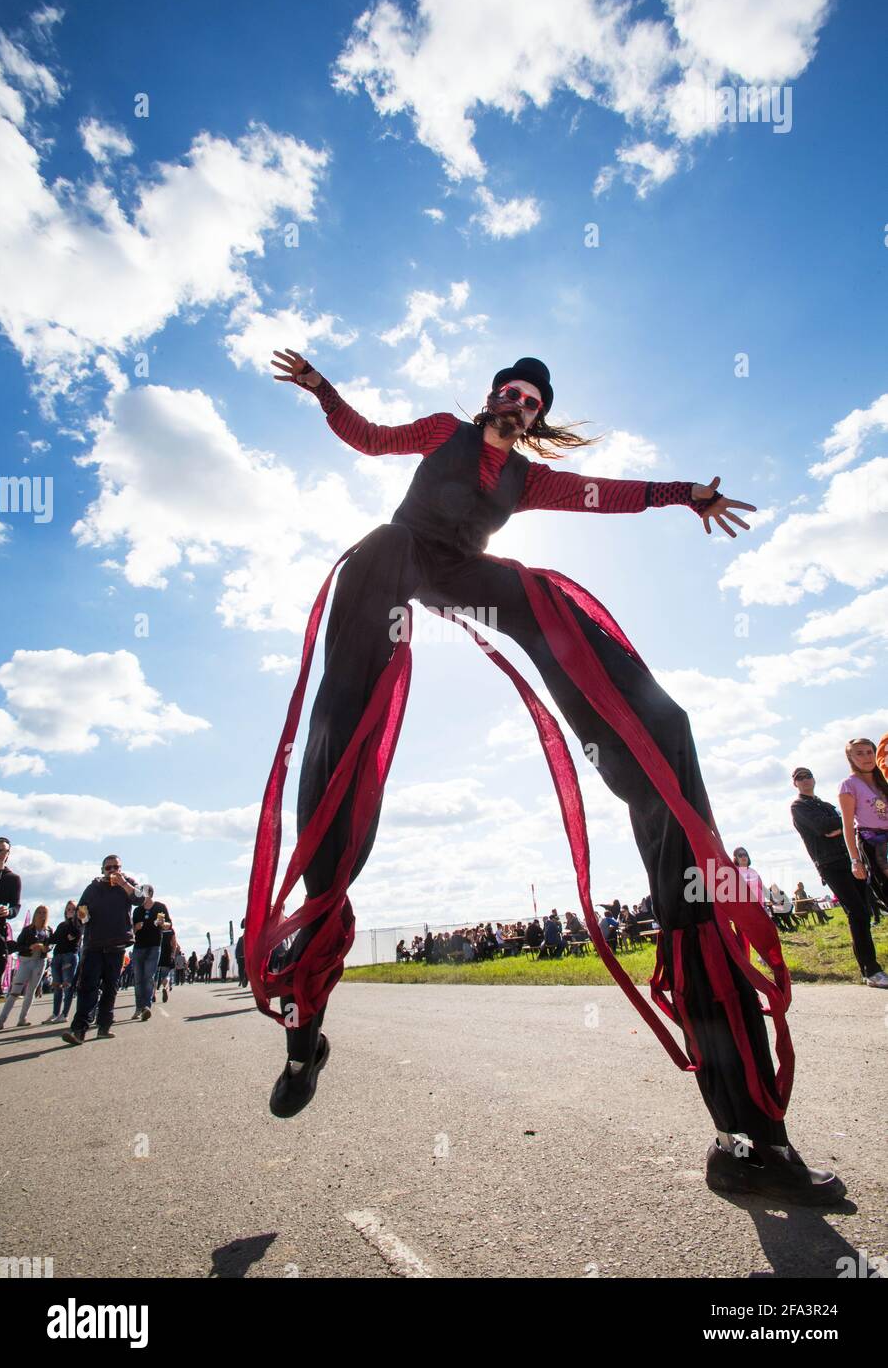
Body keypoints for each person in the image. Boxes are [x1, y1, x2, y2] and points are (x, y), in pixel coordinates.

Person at [248, 348, 842, 1207]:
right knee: (347, 707)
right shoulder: (441, 434)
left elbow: (605, 494)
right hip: (396, 566)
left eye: (532, 400)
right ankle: (307, 1018)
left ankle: (746, 1129)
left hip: (471, 582)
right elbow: (367, 436)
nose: (517, 403)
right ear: (491, 397)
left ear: (534, 416)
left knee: (632, 694)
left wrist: (685, 495)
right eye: (510, 391)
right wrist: (320, 391)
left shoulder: (525, 481)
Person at [790, 767, 887, 988]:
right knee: (857, 911)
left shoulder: (824, 805)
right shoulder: (798, 806)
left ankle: (870, 967)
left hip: (851, 859)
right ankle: (870, 970)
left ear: (814, 778)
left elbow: (848, 825)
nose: (805, 780)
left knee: (867, 909)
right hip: (830, 864)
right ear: (795, 784)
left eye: (808, 776)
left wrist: (842, 826)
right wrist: (843, 823)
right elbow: (825, 827)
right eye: (799, 778)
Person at [62, 854, 145, 1045]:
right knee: (87, 987)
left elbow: (140, 899)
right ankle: (78, 1030)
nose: (112, 871)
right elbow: (78, 914)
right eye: (108, 868)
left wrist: (123, 883)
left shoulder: (128, 885)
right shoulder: (93, 888)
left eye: (116, 867)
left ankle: (104, 1027)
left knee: (110, 986)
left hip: (117, 944)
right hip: (94, 944)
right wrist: (82, 917)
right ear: (102, 870)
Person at [839, 737, 888, 924]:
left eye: (870, 752)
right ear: (850, 757)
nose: (866, 757)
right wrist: (855, 860)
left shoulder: (883, 779)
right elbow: (848, 826)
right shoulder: (848, 785)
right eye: (859, 753)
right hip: (873, 843)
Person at [0, 905, 52, 1028]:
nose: (42, 915)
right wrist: (30, 947)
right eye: (39, 912)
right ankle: (1, 1020)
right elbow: (18, 946)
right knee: (15, 992)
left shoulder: (48, 930)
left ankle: (22, 1018)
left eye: (44, 912)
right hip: (26, 961)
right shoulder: (27, 930)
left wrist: (46, 948)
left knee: (31, 991)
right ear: (35, 914)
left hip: (40, 962)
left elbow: (51, 944)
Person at [131, 887, 172, 1021]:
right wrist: (135, 928)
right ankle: (138, 1007)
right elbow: (131, 930)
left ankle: (146, 1007)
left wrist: (163, 924)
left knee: (149, 976)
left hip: (154, 946)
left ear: (150, 894)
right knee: (138, 979)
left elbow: (168, 925)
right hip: (138, 947)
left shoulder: (160, 907)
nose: (140, 894)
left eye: (143, 892)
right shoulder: (137, 910)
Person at [44, 901, 83, 1023]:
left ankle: (64, 1014)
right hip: (57, 956)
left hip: (69, 956)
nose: (70, 911)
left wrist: (73, 920)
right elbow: (54, 939)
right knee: (57, 986)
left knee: (67, 985)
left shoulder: (79, 924)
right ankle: (55, 1013)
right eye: (68, 909)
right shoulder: (61, 925)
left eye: (73, 909)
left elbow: (74, 935)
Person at [0, 836, 22, 999]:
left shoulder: (12, 879)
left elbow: (16, 906)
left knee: (0, 957)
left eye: (2, 851)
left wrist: (9, 912)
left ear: (8, 854)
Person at [155, 924, 177, 1005]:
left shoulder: (158, 927)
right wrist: (173, 954)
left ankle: (153, 994)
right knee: (166, 974)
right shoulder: (171, 930)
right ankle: (165, 987)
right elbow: (174, 943)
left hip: (157, 951)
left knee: (155, 975)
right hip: (167, 953)